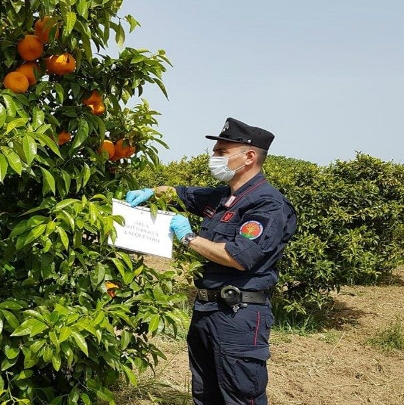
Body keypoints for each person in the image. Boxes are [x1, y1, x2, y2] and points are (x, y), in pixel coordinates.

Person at [125, 117, 297, 405]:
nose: (214, 158)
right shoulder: (223, 196)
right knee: (205, 392)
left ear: (249, 157)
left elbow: (238, 257)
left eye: (221, 152)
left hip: (238, 314)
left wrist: (188, 238)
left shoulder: (266, 203)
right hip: (206, 309)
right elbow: (181, 193)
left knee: (240, 396)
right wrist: (151, 193)